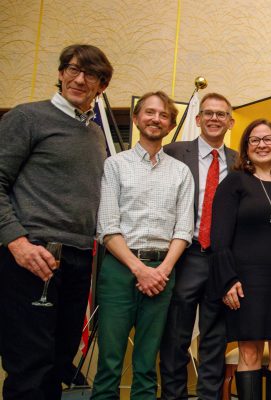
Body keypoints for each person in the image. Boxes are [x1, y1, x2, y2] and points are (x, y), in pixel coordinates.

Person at [0, 44, 113, 399]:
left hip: (78, 259)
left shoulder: (95, 133)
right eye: (72, 69)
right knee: (30, 367)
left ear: (102, 85)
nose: (79, 79)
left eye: (90, 74)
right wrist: (17, 242)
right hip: (33, 256)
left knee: (58, 361)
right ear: (61, 73)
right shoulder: (27, 117)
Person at [92, 91, 194, 399]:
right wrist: (140, 270)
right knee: (109, 362)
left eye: (163, 115)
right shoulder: (115, 165)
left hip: (163, 272)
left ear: (170, 124)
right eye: (149, 112)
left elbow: (184, 229)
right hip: (120, 270)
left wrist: (160, 271)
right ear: (136, 119)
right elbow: (107, 227)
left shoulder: (181, 171)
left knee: (147, 363)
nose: (156, 119)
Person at [210, 118, 271, 400]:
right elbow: (219, 237)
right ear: (245, 148)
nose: (262, 145)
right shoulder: (234, 182)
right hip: (245, 282)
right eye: (254, 140)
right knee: (250, 351)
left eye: (268, 138)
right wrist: (227, 280)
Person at [160, 93, 238, 399]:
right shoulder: (174, 152)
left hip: (221, 259)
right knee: (176, 337)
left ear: (230, 122)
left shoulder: (239, 160)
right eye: (209, 113)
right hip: (185, 254)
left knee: (214, 339)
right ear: (198, 119)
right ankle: (174, 395)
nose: (215, 119)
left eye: (221, 115)